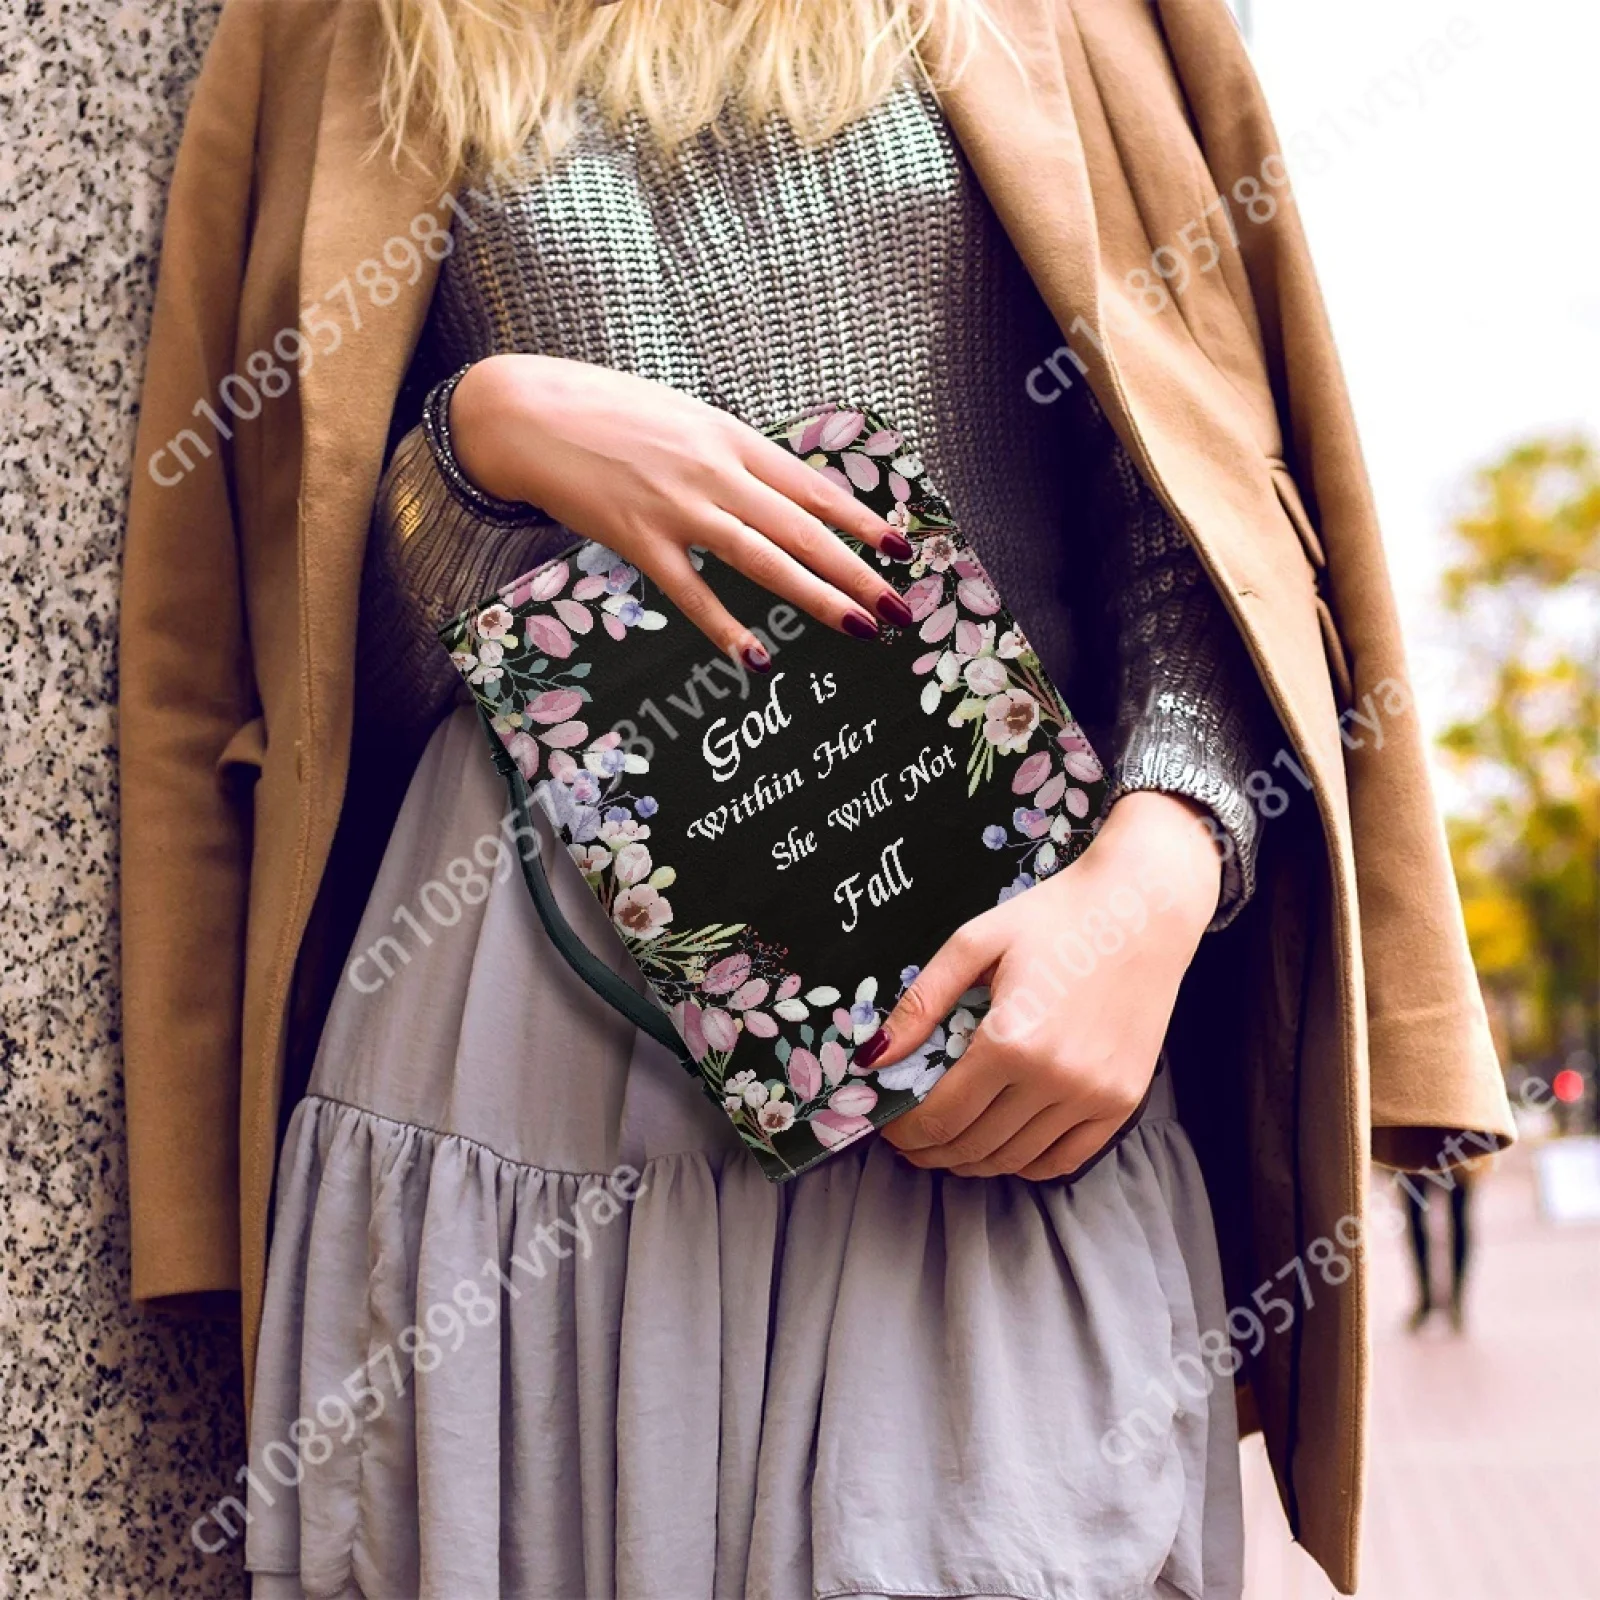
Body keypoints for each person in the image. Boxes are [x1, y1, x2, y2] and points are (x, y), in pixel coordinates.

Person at [118, 2, 1519, 1596]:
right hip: (507, 1055)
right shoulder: (343, 20)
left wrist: (1166, 860)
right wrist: (478, 444)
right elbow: (276, 656)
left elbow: (1197, 510)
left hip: (992, 1036)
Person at [1403, 1172, 1476, 1333]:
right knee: (1416, 1217)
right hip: (1414, 1151)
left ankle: (1455, 1300)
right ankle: (1427, 1298)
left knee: (1459, 1214)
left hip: (1455, 1152)